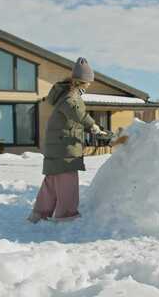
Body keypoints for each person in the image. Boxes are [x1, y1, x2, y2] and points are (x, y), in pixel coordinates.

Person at [27, 57, 105, 223]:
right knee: (67, 181)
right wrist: (94, 126)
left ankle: (40, 214)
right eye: (88, 82)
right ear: (82, 81)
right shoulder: (71, 97)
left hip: (57, 145)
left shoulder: (64, 93)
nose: (89, 85)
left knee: (52, 182)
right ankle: (66, 216)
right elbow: (78, 114)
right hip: (64, 147)